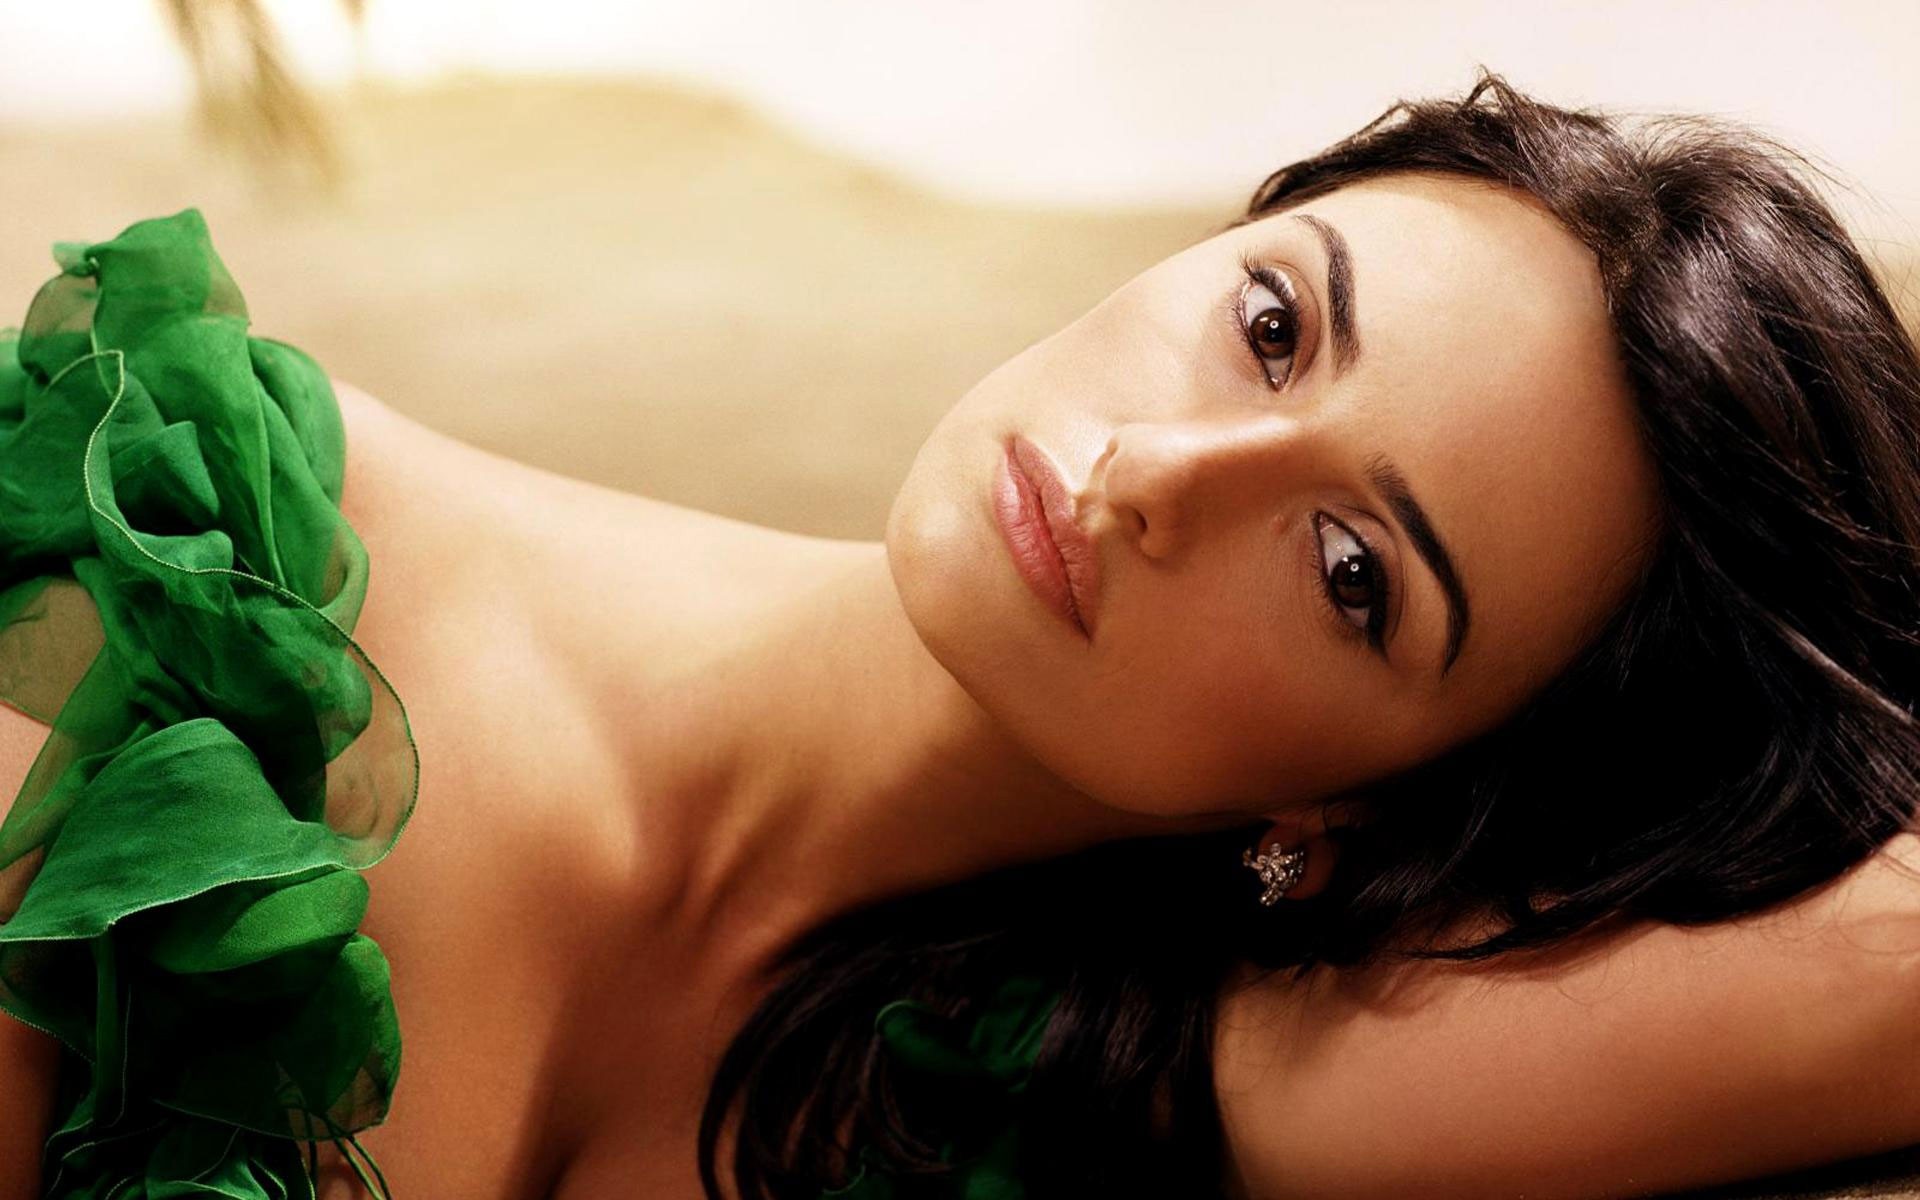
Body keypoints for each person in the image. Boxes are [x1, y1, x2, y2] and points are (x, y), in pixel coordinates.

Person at [0, 70, 1915, 1200]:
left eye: (1354, 573)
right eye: (1271, 325)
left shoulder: (1113, 1105)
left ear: (1378, 815)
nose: (1162, 473)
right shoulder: (201, 573)